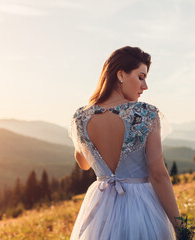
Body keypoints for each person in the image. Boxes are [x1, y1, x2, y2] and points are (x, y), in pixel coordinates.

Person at [68, 46, 181, 239]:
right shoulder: (146, 114)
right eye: (141, 77)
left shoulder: (80, 117)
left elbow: (84, 164)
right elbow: (159, 174)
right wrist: (180, 227)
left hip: (100, 206)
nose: (145, 86)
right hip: (141, 206)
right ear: (120, 74)